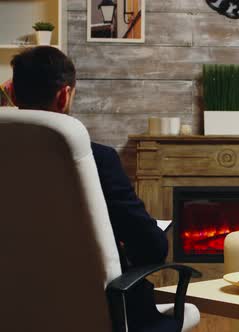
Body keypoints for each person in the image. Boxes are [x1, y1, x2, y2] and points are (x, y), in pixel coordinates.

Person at [10, 46, 170, 331]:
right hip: (104, 314)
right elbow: (152, 249)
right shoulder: (97, 160)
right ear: (64, 95)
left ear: (12, 92)